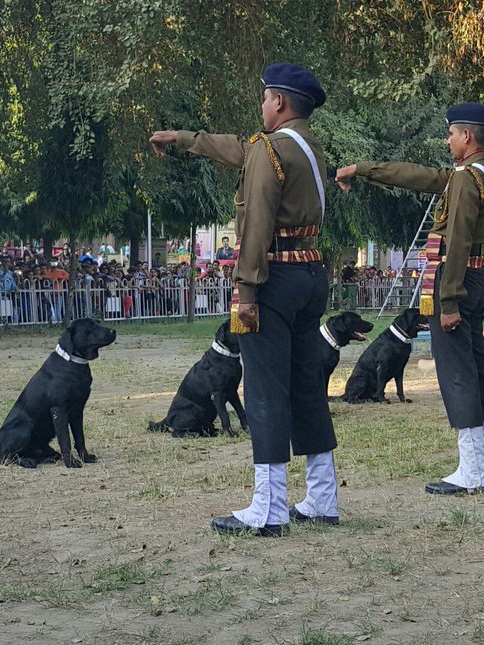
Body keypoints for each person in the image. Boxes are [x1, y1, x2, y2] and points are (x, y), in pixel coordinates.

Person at [150, 63, 337, 536]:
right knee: (306, 386)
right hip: (311, 273)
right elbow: (238, 148)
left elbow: (255, 223)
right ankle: (322, 496)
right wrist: (184, 138)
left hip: (273, 280)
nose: (262, 106)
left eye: (265, 98)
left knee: (264, 390)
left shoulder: (270, 150)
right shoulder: (307, 145)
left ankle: (268, 508)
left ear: (278, 102)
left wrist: (245, 290)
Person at [336, 102, 484, 495]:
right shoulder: (479, 174)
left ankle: (472, 471)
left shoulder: (467, 178)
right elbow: (417, 177)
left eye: (451, 134)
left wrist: (447, 301)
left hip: (457, 279)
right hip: (474, 276)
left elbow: (460, 238)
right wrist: (364, 169)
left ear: (466, 136)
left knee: (458, 374)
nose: (448, 140)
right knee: (479, 370)